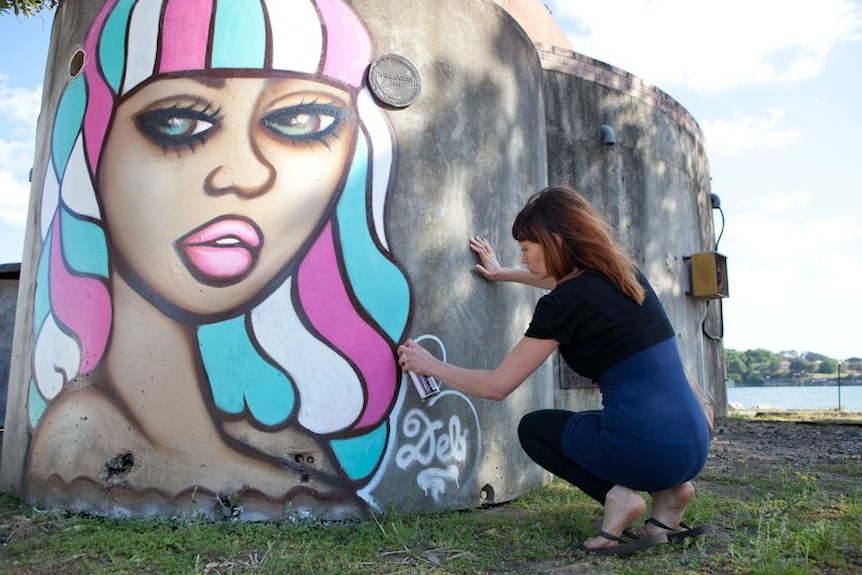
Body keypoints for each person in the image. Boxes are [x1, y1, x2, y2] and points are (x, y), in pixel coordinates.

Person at [25, 0, 410, 519]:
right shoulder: (79, 439)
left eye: (299, 120)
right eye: (180, 122)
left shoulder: (283, 441)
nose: (244, 174)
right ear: (94, 153)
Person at [397, 186, 711, 554]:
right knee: (620, 421)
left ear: (556, 242)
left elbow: (499, 385)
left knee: (535, 429)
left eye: (527, 249)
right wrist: (503, 273)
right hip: (693, 444)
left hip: (645, 448)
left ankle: (619, 498)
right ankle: (672, 494)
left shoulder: (561, 305)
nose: (524, 258)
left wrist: (431, 365)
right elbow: (565, 280)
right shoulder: (625, 276)